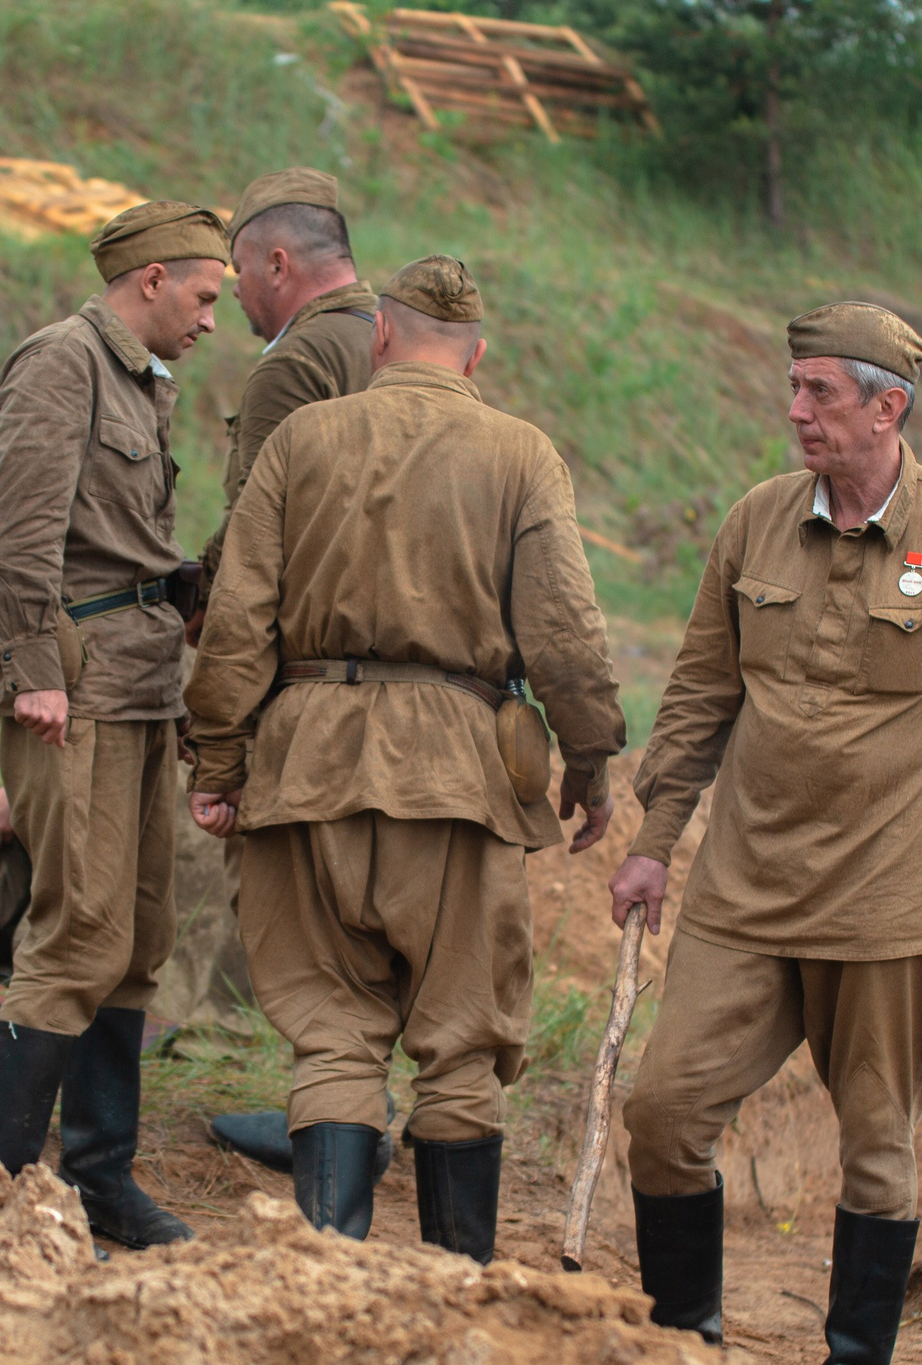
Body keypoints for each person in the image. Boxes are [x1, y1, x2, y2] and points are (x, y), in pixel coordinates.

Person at [609, 303, 922, 1365]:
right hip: (743, 893)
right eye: (793, 387)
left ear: (889, 406)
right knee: (663, 1116)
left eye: (820, 391)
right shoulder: (756, 524)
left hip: (885, 909)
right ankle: (689, 1352)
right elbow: (698, 692)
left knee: (877, 1147)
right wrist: (651, 842)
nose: (795, 410)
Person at [185, 256, 625, 1259]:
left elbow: (238, 620)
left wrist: (218, 763)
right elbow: (564, 635)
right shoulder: (521, 453)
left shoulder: (300, 438)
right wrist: (590, 767)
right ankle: (454, 1294)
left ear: (379, 339)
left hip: (308, 767)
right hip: (458, 777)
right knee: (462, 1045)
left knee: (333, 1035)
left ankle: (331, 1282)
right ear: (476, 357)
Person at [0, 200, 229, 1249]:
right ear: (152, 280)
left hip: (143, 682)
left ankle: (101, 1177)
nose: (212, 320)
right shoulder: (60, 363)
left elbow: (124, 543)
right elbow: (13, 532)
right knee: (76, 932)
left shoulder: (145, 384)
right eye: (204, 296)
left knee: (136, 939)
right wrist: (33, 670)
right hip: (74, 686)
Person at [195, 167, 382, 1173]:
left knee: (301, 915)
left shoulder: (293, 364)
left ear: (278, 261)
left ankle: (329, 1124)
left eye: (236, 270)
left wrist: (195, 615)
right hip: (430, 686)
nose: (231, 293)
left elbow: (252, 539)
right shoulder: (405, 344)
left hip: (311, 677)